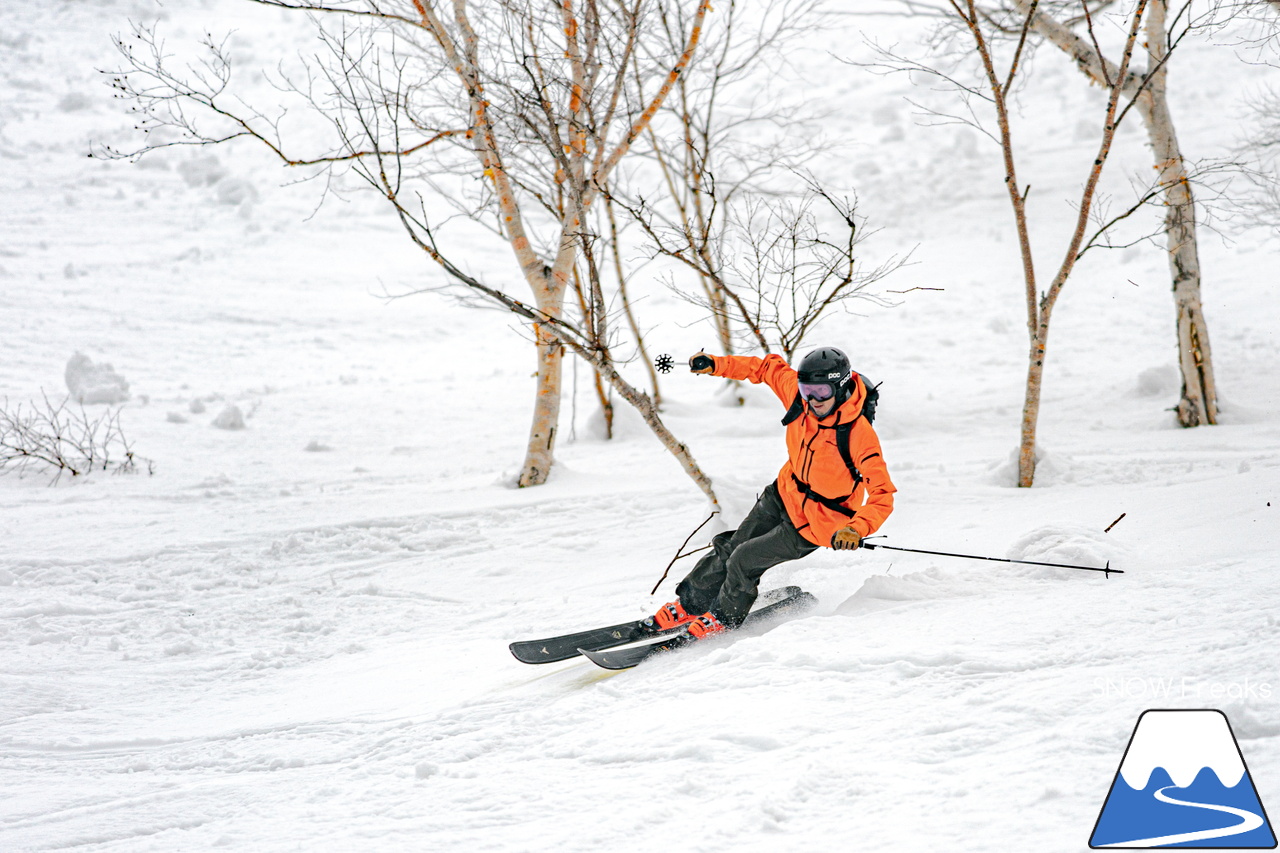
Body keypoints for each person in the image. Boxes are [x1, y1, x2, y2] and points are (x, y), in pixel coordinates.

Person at [645, 347, 896, 641]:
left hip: (819, 522)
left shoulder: (858, 434)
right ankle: (690, 605)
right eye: (806, 390)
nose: (812, 400)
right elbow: (766, 368)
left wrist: (856, 528)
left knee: (744, 559)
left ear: (839, 388)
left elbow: (882, 494)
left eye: (821, 392)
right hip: (783, 493)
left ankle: (723, 619)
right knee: (730, 547)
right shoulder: (800, 401)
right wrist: (716, 364)